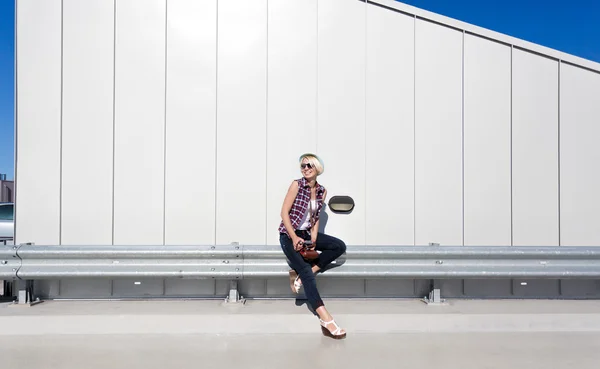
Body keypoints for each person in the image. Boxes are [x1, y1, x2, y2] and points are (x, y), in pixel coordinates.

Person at [278, 153, 347, 339]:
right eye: (303, 166)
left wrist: (314, 238)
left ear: (317, 168)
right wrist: (293, 237)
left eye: (309, 165)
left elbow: (315, 217)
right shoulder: (297, 185)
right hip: (288, 235)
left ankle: (306, 272)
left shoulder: (322, 191)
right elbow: (284, 213)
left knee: (338, 246)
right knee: (306, 272)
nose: (305, 168)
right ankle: (326, 319)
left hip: (307, 234)